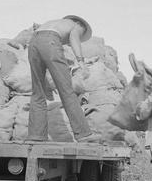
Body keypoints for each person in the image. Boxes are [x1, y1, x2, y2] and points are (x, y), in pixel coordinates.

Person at [26, 15, 101, 143]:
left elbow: (42, 34)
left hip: (33, 42)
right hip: (50, 42)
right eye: (81, 34)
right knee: (67, 90)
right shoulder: (75, 26)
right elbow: (74, 40)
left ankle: (36, 136)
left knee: (38, 93)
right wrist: (81, 63)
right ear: (79, 24)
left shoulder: (53, 22)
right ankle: (84, 135)